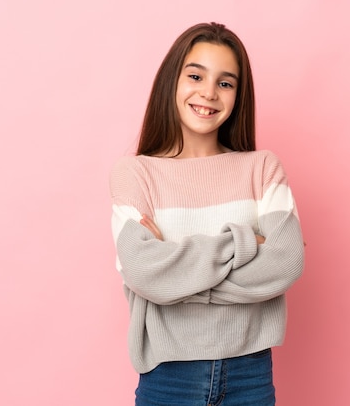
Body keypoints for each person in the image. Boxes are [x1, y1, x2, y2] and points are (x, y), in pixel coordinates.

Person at [109, 22, 305, 406]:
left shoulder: (262, 168)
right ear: (172, 81)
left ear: (238, 95)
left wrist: (176, 280)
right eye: (196, 75)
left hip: (250, 376)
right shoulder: (134, 174)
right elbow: (142, 271)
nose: (209, 93)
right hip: (168, 379)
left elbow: (286, 262)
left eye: (226, 83)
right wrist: (247, 244)